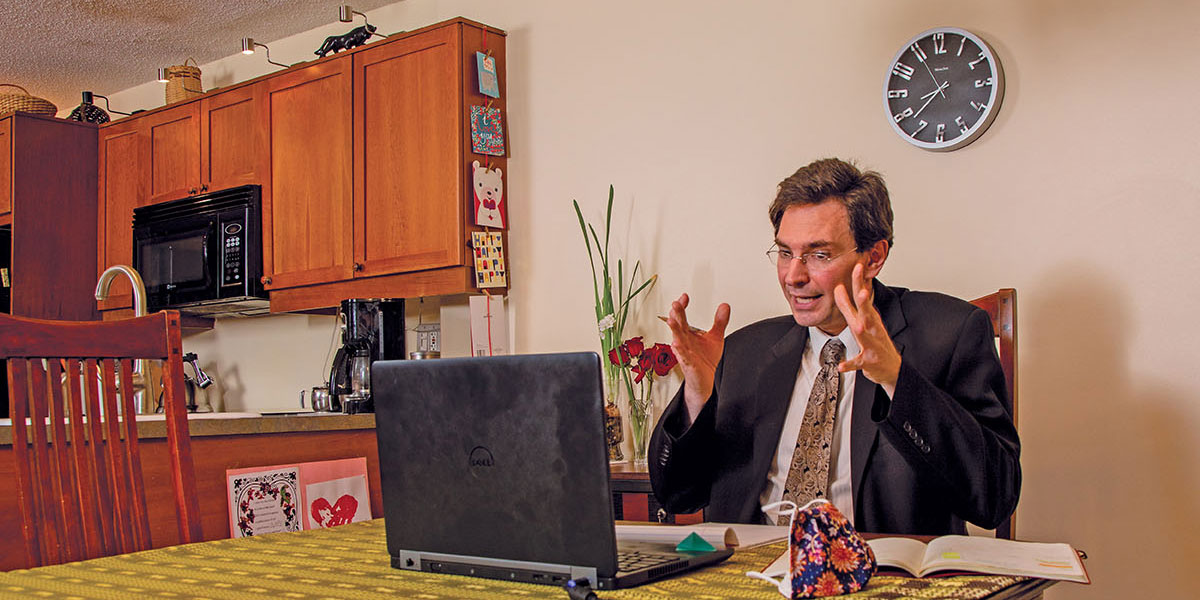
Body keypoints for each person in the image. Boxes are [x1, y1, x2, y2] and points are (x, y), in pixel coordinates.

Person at [649, 158, 1020, 535]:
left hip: (879, 579)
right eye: (785, 252)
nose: (794, 276)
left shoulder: (949, 335)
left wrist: (896, 378)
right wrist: (697, 394)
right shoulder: (745, 350)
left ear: (874, 257)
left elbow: (995, 498)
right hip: (756, 575)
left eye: (819, 255)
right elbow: (676, 496)